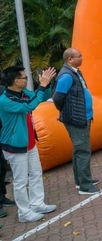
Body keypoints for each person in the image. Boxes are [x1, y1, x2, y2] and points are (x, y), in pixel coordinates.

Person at [0, 66, 58, 223]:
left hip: (29, 143)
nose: (27, 79)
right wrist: (42, 86)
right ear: (16, 81)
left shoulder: (23, 93)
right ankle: (24, 213)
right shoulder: (5, 100)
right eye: (25, 78)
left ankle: (37, 203)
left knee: (36, 173)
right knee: (20, 181)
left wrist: (46, 84)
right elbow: (29, 105)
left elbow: (41, 97)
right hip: (15, 146)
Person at [53, 48, 101, 195]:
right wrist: (66, 112)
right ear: (70, 59)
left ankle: (81, 180)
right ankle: (85, 186)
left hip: (82, 116)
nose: (82, 58)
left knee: (79, 150)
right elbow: (57, 98)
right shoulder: (67, 76)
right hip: (76, 118)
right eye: (79, 56)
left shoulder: (75, 72)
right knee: (83, 150)